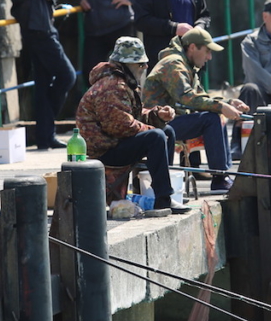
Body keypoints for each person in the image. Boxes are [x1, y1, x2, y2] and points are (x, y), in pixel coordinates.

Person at [76, 37, 189, 214]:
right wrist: (153, 129)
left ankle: (158, 191)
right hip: (105, 152)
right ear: (126, 64)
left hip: (116, 144)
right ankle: (163, 199)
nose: (145, 68)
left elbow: (132, 115)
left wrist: (156, 115)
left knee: (167, 131)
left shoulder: (123, 83)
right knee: (157, 136)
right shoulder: (112, 86)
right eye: (140, 64)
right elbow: (120, 126)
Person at [144, 28, 248, 192]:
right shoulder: (173, 64)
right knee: (211, 118)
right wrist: (221, 107)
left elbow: (201, 97)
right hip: (155, 124)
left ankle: (223, 175)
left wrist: (228, 103)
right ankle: (219, 178)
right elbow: (187, 98)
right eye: (207, 51)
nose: (209, 57)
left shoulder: (187, 65)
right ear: (192, 47)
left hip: (170, 121)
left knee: (214, 115)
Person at [3, 0, 76, 150]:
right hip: (39, 31)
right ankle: (45, 126)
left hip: (40, 28)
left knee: (43, 85)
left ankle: (45, 136)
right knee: (67, 76)